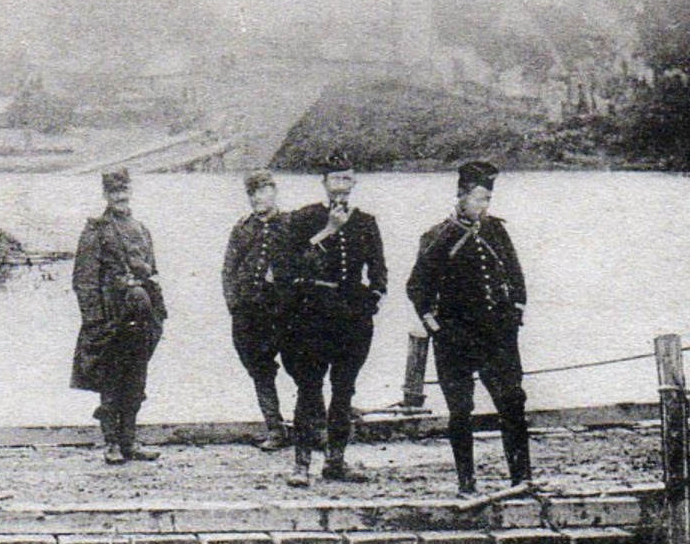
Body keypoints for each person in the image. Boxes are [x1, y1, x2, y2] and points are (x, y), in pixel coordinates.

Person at [407, 160, 531, 497]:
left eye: (487, 199)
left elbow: (517, 281)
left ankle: (522, 478)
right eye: (478, 199)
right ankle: (467, 482)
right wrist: (438, 330)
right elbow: (417, 288)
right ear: (460, 197)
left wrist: (513, 318)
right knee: (461, 411)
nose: (484, 206)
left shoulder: (496, 232)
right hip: (455, 339)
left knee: (512, 403)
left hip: (497, 337)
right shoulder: (438, 236)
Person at [280, 152, 387, 485]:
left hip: (351, 318)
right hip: (312, 315)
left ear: (354, 184)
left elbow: (379, 271)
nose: (341, 186)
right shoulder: (304, 219)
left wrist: (373, 299)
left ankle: (335, 461)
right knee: (309, 389)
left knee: (344, 391)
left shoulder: (366, 222)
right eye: (335, 179)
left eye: (347, 179)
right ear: (324, 183)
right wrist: (328, 230)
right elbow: (287, 265)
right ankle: (301, 465)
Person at [71, 168, 167, 464]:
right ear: (106, 195)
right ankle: (111, 443)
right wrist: (95, 321)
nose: (120, 197)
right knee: (111, 381)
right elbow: (84, 281)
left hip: (141, 317)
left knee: (136, 380)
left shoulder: (141, 228)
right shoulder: (95, 232)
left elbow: (152, 273)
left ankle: (130, 441)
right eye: (114, 192)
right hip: (112, 319)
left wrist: (158, 314)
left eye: (124, 191)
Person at [221, 169, 292, 451]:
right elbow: (229, 269)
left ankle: (311, 426)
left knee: (302, 368)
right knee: (260, 370)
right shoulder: (242, 228)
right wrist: (235, 305)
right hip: (251, 312)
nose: (258, 198)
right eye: (253, 193)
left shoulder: (290, 224)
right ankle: (275, 429)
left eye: (263, 191)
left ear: (274, 191)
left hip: (285, 311)